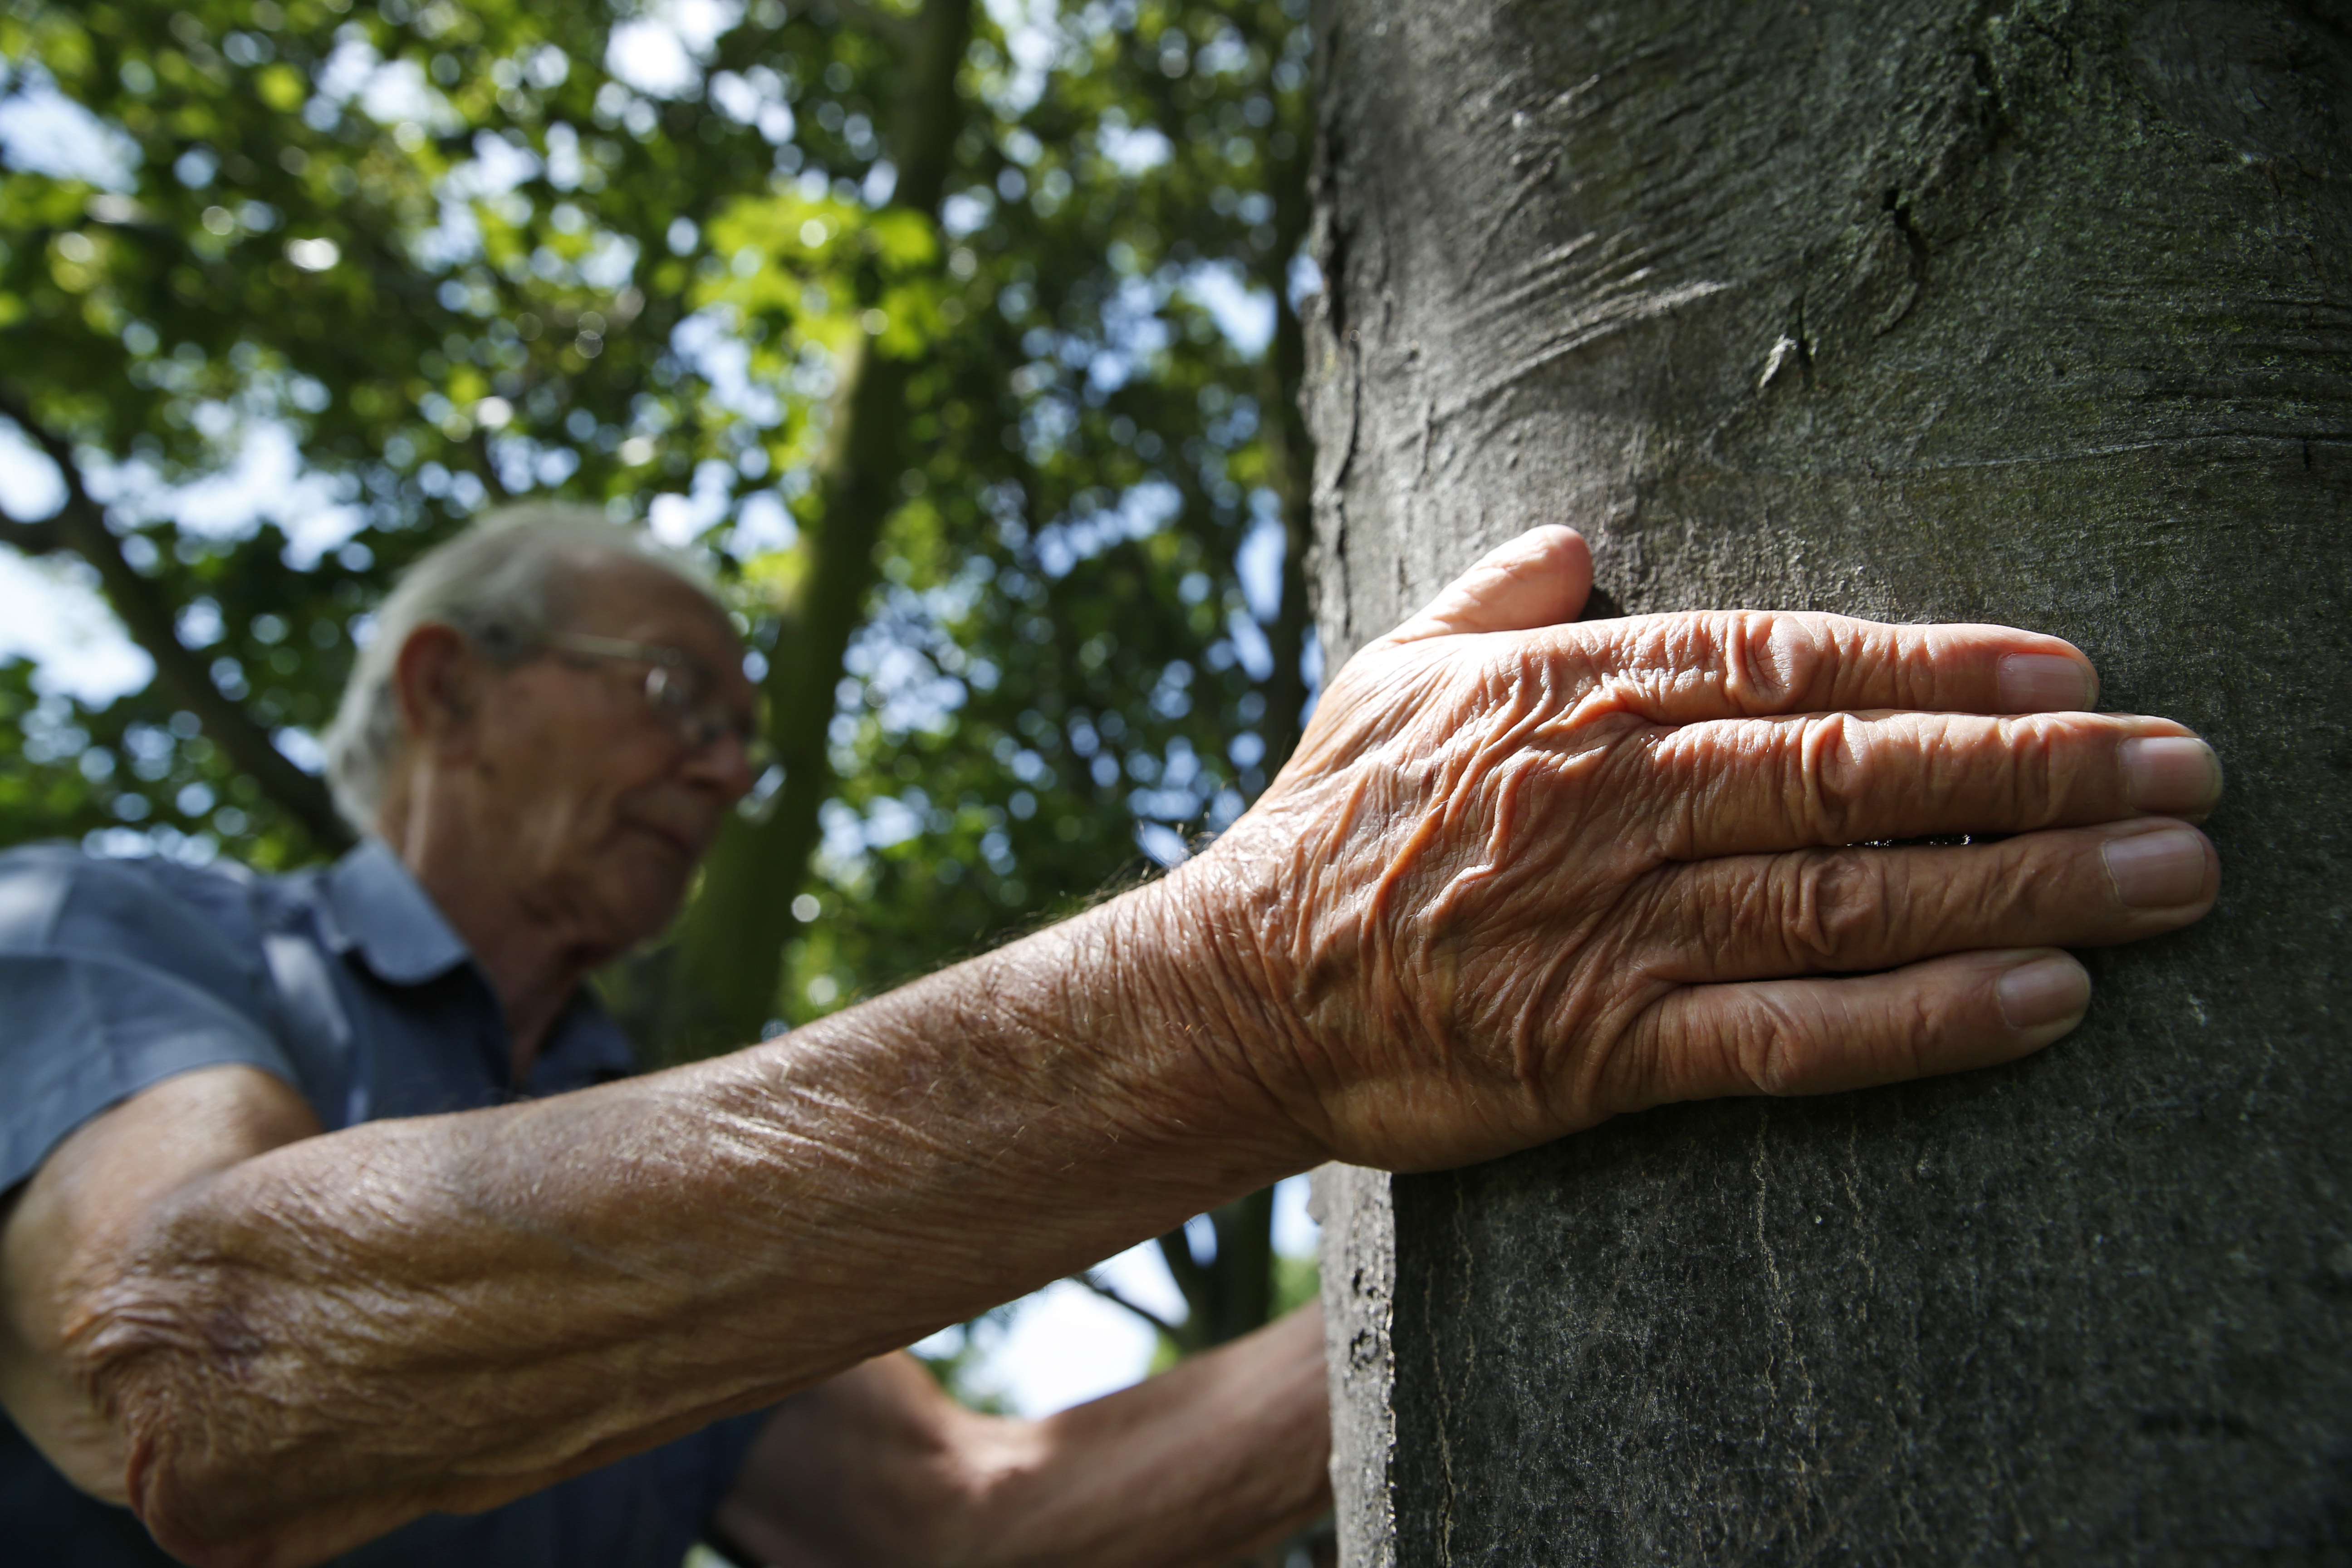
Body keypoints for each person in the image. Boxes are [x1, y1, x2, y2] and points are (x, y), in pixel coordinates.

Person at [0, 507, 2223, 1568]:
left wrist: (1538, 1140)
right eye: (673, 698)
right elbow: (202, 1347)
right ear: (443, 692)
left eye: (754, 744)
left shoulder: (611, 1130)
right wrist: (1264, 989)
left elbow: (975, 1521)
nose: (718, 771)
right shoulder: (119, 931)